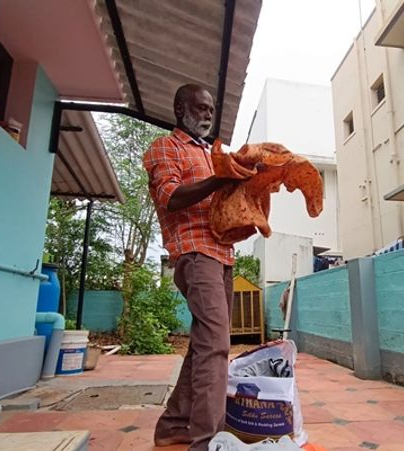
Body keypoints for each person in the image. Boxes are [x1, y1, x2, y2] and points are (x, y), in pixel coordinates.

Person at [143, 84, 247, 450]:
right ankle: (208, 441)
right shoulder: (164, 148)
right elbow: (170, 197)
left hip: (223, 253)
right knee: (217, 346)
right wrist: (221, 177)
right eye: (200, 108)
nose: (207, 114)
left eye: (210, 110)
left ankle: (173, 424)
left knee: (206, 344)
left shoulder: (210, 153)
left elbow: (219, 202)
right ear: (179, 108)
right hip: (194, 253)